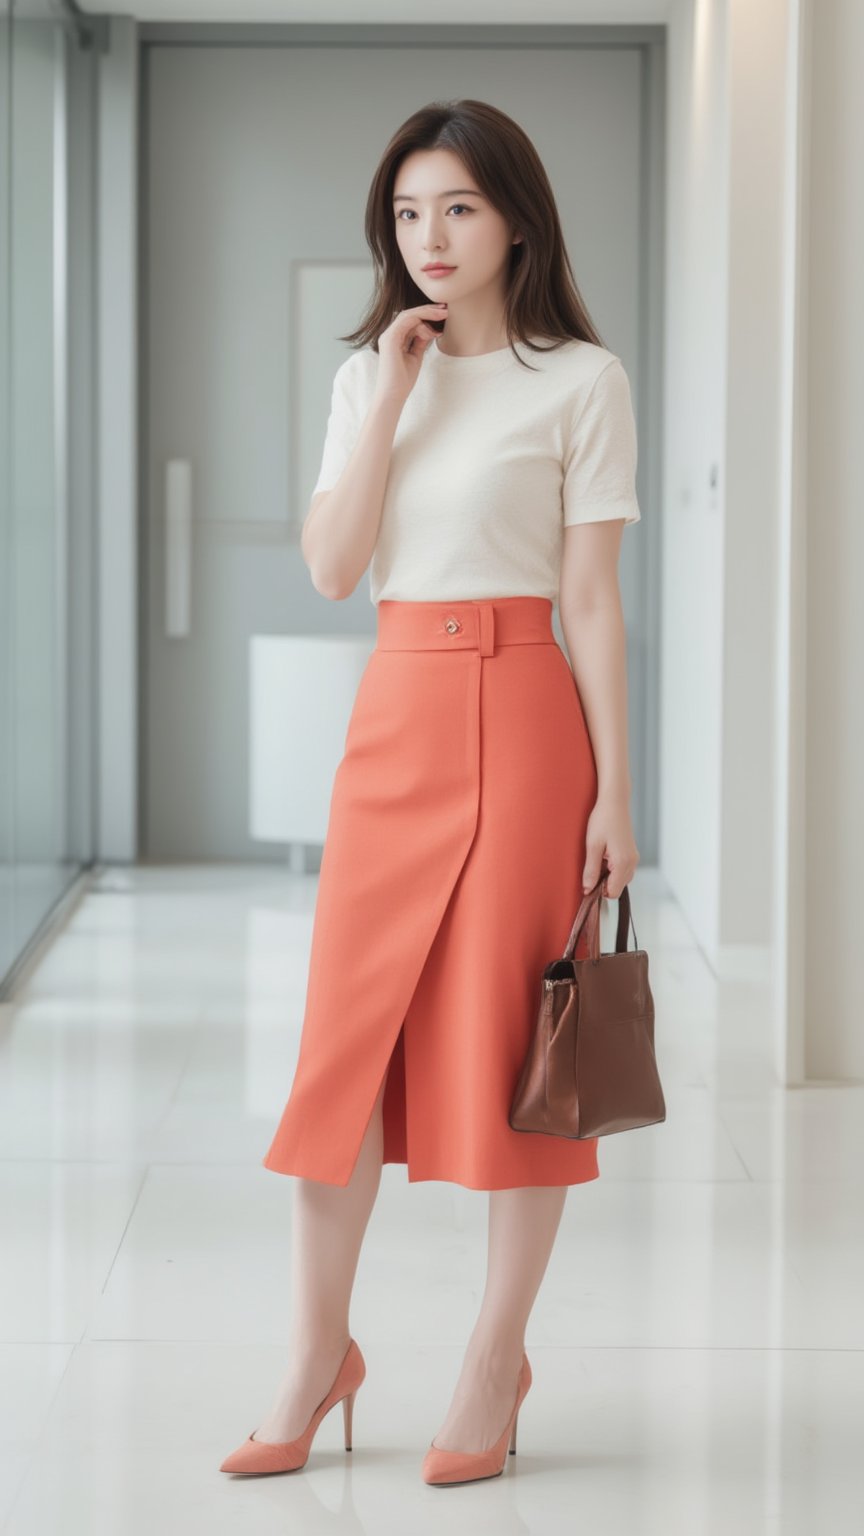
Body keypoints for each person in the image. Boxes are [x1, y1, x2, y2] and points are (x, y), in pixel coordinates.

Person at [221, 97, 641, 1486]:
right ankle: (315, 1350)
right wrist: (395, 391)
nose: (430, 238)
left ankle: (491, 1359)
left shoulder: (582, 377)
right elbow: (337, 568)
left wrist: (617, 797)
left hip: (527, 717)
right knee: (342, 1052)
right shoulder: (366, 379)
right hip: (398, 712)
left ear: (517, 216)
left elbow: (591, 599)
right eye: (407, 214)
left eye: (456, 207)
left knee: (520, 1057)